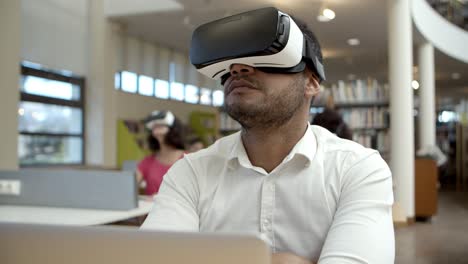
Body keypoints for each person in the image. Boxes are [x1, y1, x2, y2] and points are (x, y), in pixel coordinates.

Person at [141, 7, 394, 264]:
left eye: (262, 56)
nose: (238, 69)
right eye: (231, 64)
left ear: (311, 82)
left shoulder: (357, 169)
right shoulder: (190, 173)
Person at [136, 110, 185, 196]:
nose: (157, 132)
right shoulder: (148, 161)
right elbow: (131, 186)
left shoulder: (188, 160)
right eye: (154, 128)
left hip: (177, 208)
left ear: (173, 130)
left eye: (161, 126)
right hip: (152, 208)